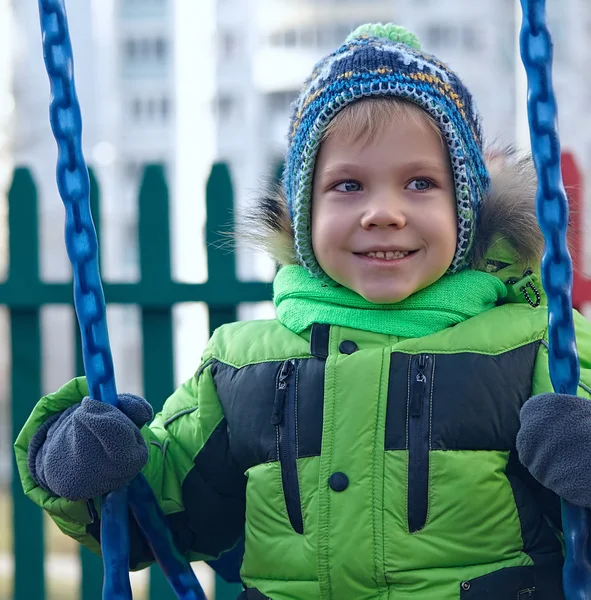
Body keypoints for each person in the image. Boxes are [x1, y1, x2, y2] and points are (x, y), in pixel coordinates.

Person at [14, 23, 591, 600]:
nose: (383, 212)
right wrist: (85, 468)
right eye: (347, 186)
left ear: (466, 209)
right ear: (301, 213)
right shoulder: (239, 367)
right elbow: (161, 517)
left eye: (420, 183)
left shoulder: (532, 345)